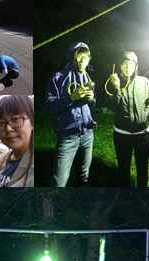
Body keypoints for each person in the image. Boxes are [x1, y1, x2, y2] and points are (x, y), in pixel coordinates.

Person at [103, 51, 149, 187]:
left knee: (142, 168)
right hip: (122, 135)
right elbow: (112, 106)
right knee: (123, 170)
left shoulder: (144, 82)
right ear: (119, 66)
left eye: (131, 64)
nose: (127, 67)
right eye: (124, 64)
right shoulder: (113, 83)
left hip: (143, 135)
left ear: (135, 66)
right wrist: (116, 88)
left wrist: (145, 114)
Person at [47, 42, 97, 187]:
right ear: (72, 58)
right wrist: (70, 98)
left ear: (89, 59)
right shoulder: (58, 77)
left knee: (84, 175)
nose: (82, 61)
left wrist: (92, 99)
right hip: (68, 137)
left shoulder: (89, 78)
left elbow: (93, 105)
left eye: (85, 58)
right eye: (79, 57)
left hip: (88, 135)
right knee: (59, 181)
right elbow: (50, 107)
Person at [0, 95, 34, 187]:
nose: (8, 128)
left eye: (16, 119)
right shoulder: (1, 160)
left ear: (32, 122)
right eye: (1, 123)